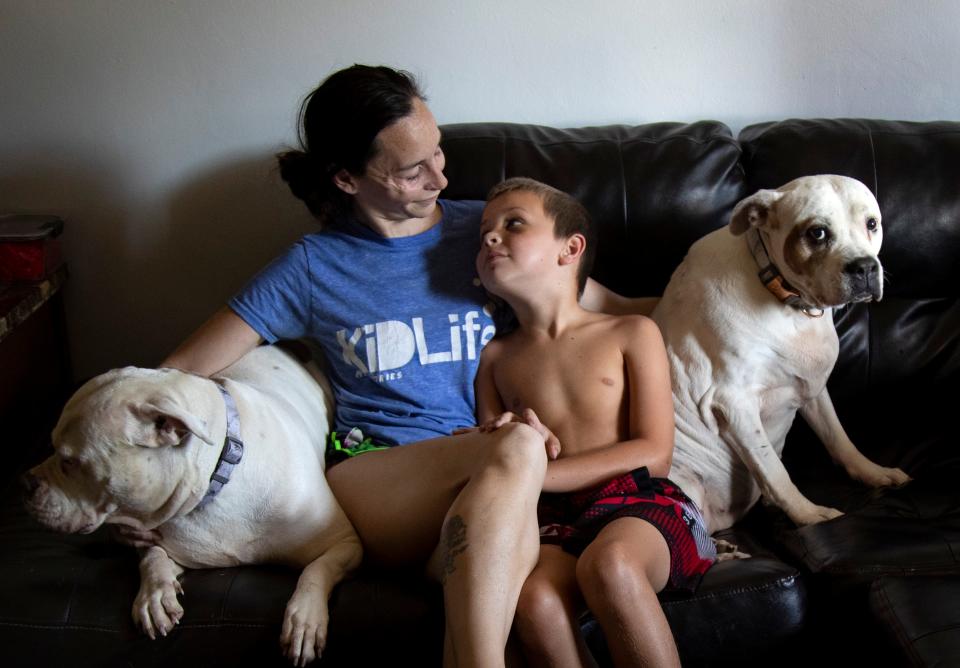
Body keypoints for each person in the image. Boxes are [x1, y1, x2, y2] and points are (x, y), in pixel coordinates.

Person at [155, 65, 654, 667]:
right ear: (347, 178)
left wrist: (754, 297)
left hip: (495, 489)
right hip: (380, 480)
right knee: (519, 446)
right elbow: (177, 375)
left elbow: (609, 311)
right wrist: (141, 486)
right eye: (413, 169)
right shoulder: (313, 267)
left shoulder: (493, 233)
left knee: (524, 596)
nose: (441, 176)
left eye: (438, 151)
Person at [473, 178, 715, 667]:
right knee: (534, 600)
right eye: (483, 233)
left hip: (639, 501)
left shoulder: (631, 331)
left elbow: (654, 452)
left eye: (512, 223)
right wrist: (509, 445)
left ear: (571, 248)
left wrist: (540, 470)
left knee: (610, 565)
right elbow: (495, 457)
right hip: (554, 520)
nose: (491, 238)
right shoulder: (494, 359)